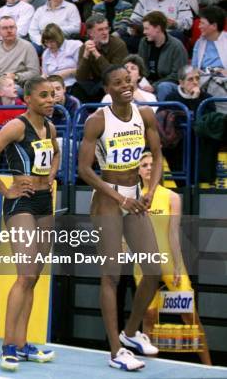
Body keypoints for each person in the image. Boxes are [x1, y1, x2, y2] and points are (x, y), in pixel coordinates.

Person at [78, 65, 162, 371]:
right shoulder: (97, 120)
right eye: (118, 82)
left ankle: (130, 333)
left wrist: (150, 190)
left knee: (153, 269)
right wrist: (118, 197)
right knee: (111, 276)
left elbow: (158, 154)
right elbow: (85, 170)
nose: (125, 85)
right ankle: (115, 351)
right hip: (108, 200)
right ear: (108, 88)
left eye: (128, 80)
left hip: (135, 194)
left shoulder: (146, 115)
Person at [0, 76, 59, 371]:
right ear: (28, 99)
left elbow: (56, 154)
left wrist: (51, 176)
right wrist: (4, 188)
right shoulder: (17, 126)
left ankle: (23, 344)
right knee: (24, 275)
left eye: (53, 95)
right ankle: (8, 345)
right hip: (20, 202)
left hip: (43, 203)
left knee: (35, 276)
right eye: (44, 95)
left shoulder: (49, 127)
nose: (51, 100)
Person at [136, 151, 212, 365]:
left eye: (152, 164)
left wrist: (178, 266)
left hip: (169, 261)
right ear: (138, 171)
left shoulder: (171, 197)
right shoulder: (132, 198)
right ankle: (150, 368)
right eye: (144, 165)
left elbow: (173, 234)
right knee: (148, 318)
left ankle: (209, 367)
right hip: (143, 265)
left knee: (190, 316)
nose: (149, 168)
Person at [41, 23, 83, 89]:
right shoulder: (46, 54)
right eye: (46, 42)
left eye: (52, 42)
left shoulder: (75, 45)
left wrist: (68, 72)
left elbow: (84, 70)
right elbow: (45, 74)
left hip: (74, 84)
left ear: (58, 38)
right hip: (53, 87)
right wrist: (43, 77)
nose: (49, 45)